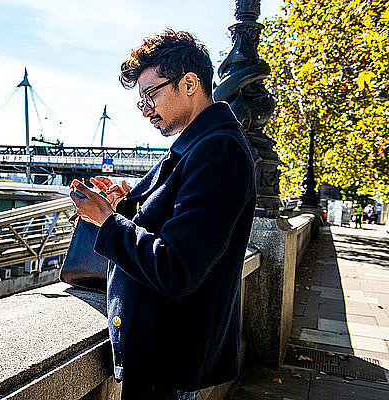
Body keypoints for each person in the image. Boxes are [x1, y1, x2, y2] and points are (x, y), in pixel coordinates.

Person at [69, 30, 256, 400]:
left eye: (151, 95)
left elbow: (176, 268)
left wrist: (106, 221)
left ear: (189, 83)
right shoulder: (201, 144)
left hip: (167, 360)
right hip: (163, 353)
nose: (147, 110)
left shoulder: (218, 151)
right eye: (141, 102)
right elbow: (171, 222)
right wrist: (125, 205)